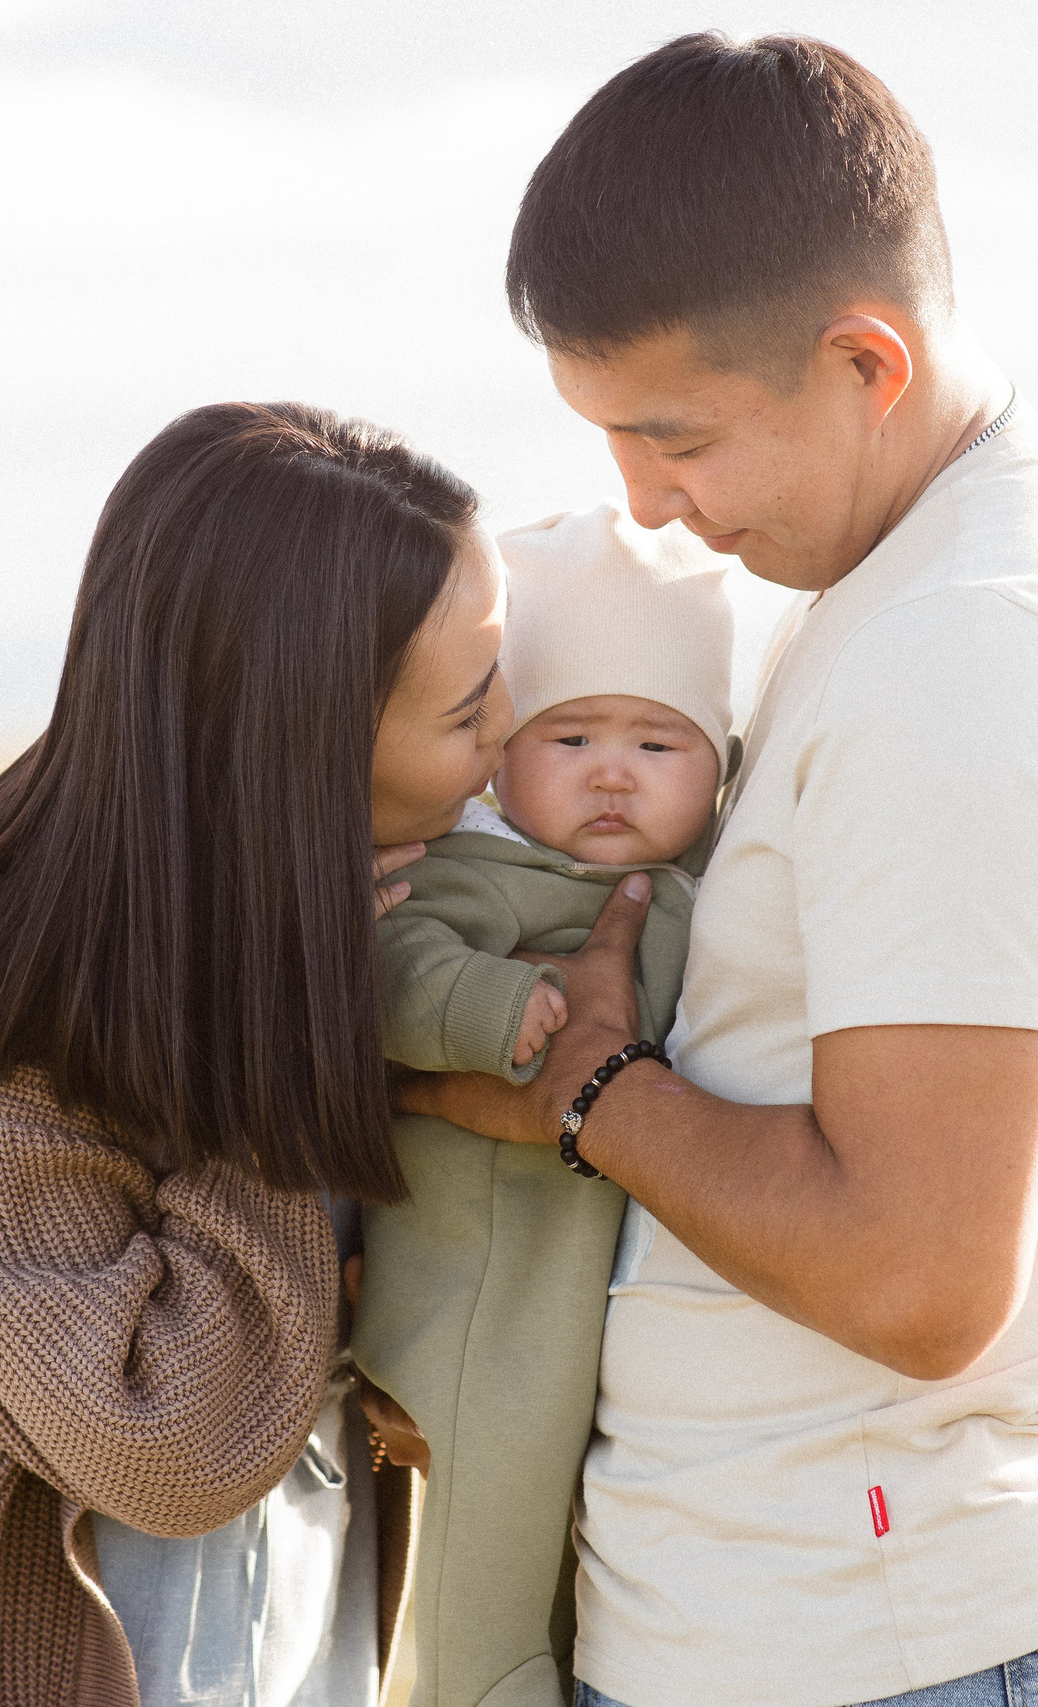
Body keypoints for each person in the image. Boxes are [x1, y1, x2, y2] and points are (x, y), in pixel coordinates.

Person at [404, 33, 1038, 1707]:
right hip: (811, 1622)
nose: (643, 502)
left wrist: (587, 1085)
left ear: (866, 359)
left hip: (883, 1640)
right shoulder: (913, 580)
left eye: (677, 435)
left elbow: (918, 1275)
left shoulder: (968, 651)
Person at [0, 400, 521, 1707]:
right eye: (471, 707)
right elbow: (166, 1436)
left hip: (304, 1637)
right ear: (299, 747)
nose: (515, 731)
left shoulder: (404, 914)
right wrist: (298, 1050)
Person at [352, 504, 734, 1707]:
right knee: (489, 1555)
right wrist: (483, 1008)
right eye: (570, 737)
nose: (612, 772)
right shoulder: (475, 871)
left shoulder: (700, 888)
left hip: (594, 1302)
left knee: (586, 1566)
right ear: (504, 747)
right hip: (486, 1295)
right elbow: (388, 970)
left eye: (659, 746)